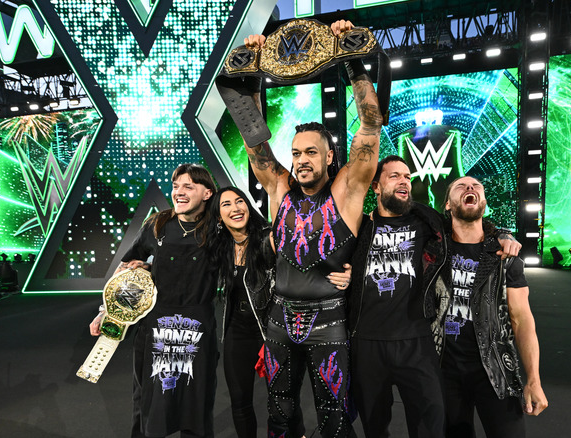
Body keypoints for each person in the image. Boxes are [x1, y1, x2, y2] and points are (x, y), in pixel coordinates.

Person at [241, 19, 382, 438]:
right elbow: (253, 140)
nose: (301, 159)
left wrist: (351, 58)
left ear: (329, 156)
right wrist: (252, 67)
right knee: (279, 412)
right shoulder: (279, 186)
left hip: (328, 322)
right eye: (296, 152)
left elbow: (371, 127)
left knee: (334, 415)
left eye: (311, 153)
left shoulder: (346, 190)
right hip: (280, 319)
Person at [349, 156, 522, 438]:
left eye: (407, 176)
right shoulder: (361, 228)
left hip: (418, 342)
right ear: (376, 186)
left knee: (430, 428)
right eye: (394, 176)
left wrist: (501, 234)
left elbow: (467, 221)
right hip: (366, 342)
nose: (404, 180)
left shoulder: (428, 223)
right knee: (374, 427)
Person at [207, 186, 352, 438]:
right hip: (236, 332)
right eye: (226, 204)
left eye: (240, 201)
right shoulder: (220, 247)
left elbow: (307, 263)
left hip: (271, 328)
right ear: (219, 216)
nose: (235, 208)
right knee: (240, 401)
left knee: (284, 399)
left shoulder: (270, 237)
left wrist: (348, 272)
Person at [89, 163, 219, 438]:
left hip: (198, 329)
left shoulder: (218, 229)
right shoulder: (157, 224)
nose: (179, 192)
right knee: (149, 401)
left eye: (188, 186)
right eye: (175, 186)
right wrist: (106, 312)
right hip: (154, 328)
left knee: (197, 402)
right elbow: (125, 270)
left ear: (207, 193)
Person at [433, 175, 548, 438]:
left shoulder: (505, 256)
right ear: (448, 204)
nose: (470, 188)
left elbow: (522, 320)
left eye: (476, 186)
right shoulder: (433, 251)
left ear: (484, 202)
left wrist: (533, 380)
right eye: (461, 186)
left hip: (495, 368)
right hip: (444, 370)